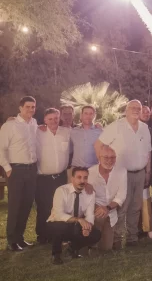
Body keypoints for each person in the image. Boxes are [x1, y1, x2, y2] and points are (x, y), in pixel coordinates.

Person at [94, 99, 152, 248]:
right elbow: (98, 145)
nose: (135, 110)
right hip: (121, 173)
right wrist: (104, 165)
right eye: (132, 108)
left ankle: (133, 237)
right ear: (126, 110)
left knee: (136, 206)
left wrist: (148, 170)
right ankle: (117, 239)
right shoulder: (116, 126)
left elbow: (148, 151)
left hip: (139, 173)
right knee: (121, 206)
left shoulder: (145, 128)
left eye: (138, 108)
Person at [0, 96, 38, 251]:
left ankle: (20, 238)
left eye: (33, 107)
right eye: (28, 107)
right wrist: (7, 168)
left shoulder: (34, 124)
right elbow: (1, 148)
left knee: (26, 205)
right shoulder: (9, 126)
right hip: (16, 171)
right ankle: (11, 241)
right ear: (20, 108)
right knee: (15, 205)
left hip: (31, 170)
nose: (31, 110)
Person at [46, 167, 101, 264]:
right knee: (59, 227)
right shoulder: (61, 190)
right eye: (79, 177)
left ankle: (73, 249)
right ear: (72, 179)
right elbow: (58, 214)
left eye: (85, 178)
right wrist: (79, 220)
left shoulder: (90, 194)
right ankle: (56, 255)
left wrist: (87, 227)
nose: (82, 181)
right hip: (57, 223)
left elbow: (89, 214)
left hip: (76, 224)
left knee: (96, 234)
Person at [35, 108, 72, 245]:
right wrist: (11, 119)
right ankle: (42, 235)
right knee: (43, 207)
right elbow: (24, 126)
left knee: (60, 206)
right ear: (45, 120)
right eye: (50, 119)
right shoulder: (37, 132)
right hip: (43, 178)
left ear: (59, 118)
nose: (53, 121)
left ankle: (59, 234)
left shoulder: (66, 131)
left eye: (56, 118)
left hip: (61, 177)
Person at [88, 146, 127, 252]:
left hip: (110, 211)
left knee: (106, 248)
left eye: (113, 157)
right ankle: (88, 243)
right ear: (99, 158)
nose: (109, 160)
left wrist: (107, 208)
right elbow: (87, 197)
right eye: (106, 157)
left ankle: (96, 242)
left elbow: (121, 196)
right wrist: (98, 208)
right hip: (94, 210)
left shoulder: (122, 172)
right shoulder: (90, 173)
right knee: (99, 217)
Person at [70, 106, 103, 172]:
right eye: (86, 113)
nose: (88, 116)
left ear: (94, 116)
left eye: (91, 114)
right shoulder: (73, 131)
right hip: (76, 170)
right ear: (81, 115)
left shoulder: (100, 132)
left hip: (94, 169)